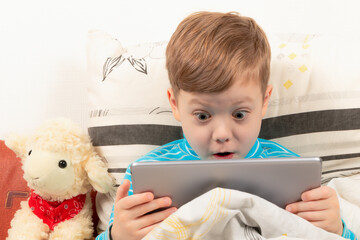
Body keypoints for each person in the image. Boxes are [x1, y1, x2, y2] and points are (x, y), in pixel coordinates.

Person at [96, 11, 356, 240]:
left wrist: (335, 228)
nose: (222, 134)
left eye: (240, 115)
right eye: (202, 116)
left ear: (264, 101)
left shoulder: (293, 173)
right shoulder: (148, 177)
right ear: (175, 105)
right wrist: (118, 235)